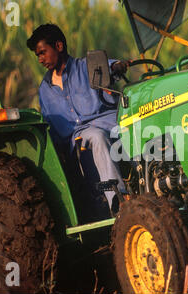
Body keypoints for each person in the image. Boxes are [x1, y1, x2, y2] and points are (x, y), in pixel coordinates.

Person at [26, 23, 128, 216]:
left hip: (111, 124)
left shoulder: (87, 66)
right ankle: (119, 202)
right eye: (37, 55)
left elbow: (109, 67)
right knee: (96, 136)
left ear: (58, 46)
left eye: (42, 52)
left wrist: (115, 67)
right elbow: (54, 131)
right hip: (80, 139)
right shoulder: (44, 91)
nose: (40, 59)